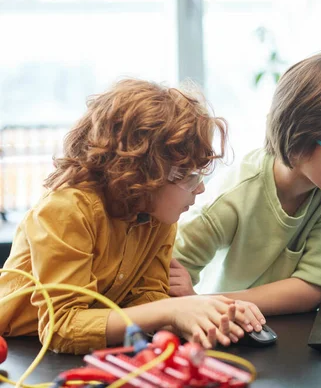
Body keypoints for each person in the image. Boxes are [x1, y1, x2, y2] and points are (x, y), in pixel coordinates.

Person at [0, 79, 248, 354]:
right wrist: (171, 310)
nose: (200, 188)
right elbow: (62, 327)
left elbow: (147, 296)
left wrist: (203, 314)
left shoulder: (157, 213)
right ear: (144, 173)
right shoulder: (66, 210)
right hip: (20, 349)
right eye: (189, 177)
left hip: (89, 348)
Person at [170, 51, 321, 330]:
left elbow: (313, 287)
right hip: (230, 332)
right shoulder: (234, 196)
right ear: (300, 138)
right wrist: (204, 306)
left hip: (300, 332)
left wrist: (214, 302)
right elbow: (173, 277)